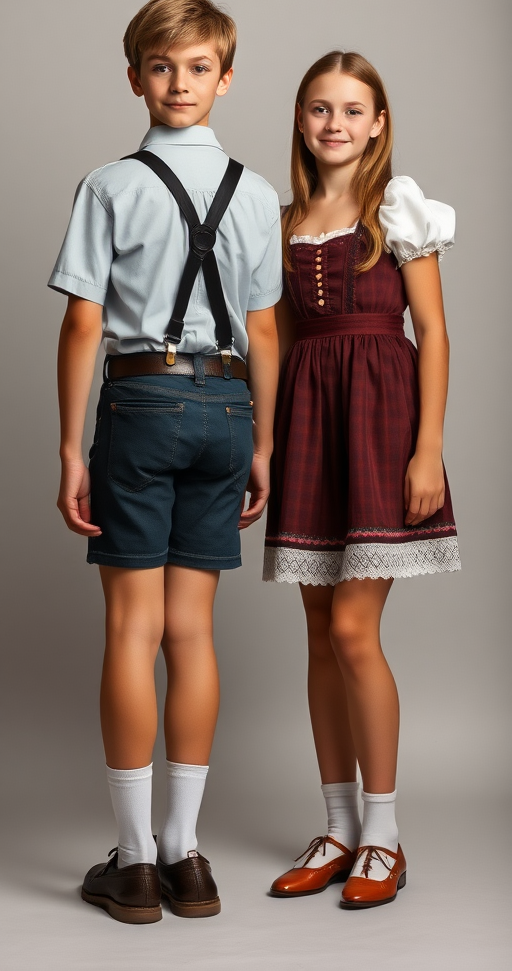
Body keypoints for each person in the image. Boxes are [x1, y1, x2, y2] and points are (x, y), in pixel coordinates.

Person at [49, 0, 281, 924]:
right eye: (164, 66)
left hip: (142, 402)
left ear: (224, 77)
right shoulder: (259, 193)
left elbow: (81, 322)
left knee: (132, 632)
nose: (179, 82)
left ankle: (137, 861)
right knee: (193, 633)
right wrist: (264, 438)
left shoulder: (107, 184)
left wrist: (71, 447)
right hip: (228, 405)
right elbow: (265, 331)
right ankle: (190, 858)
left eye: (194, 67)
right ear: (138, 73)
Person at [264, 51, 460, 909]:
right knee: (316, 631)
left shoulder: (398, 208)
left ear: (378, 123)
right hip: (309, 419)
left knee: (353, 629)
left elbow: (436, 333)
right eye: (319, 109)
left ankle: (383, 833)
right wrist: (260, 443)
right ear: (301, 121)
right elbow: (270, 342)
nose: (334, 124)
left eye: (352, 109)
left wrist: (429, 449)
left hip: (382, 423)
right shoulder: (281, 220)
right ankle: (338, 825)